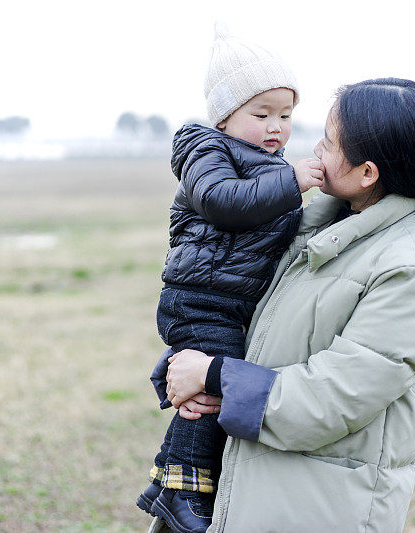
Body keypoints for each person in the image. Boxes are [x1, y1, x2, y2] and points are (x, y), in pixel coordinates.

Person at [157, 77, 415, 533]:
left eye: (329, 141)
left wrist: (213, 375)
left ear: (368, 173)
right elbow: (257, 330)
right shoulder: (312, 231)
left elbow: (329, 399)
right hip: (259, 494)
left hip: (320, 508)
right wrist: (187, 362)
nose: (315, 150)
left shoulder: (411, 270)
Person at [135, 28, 323, 533]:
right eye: (260, 114)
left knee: (212, 381)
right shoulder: (206, 152)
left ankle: (173, 484)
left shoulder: (267, 164)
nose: (276, 127)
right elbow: (223, 202)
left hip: (227, 302)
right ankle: (183, 489)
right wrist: (292, 182)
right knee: (212, 386)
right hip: (200, 298)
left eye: (285, 116)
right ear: (224, 116)